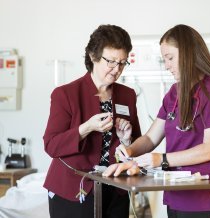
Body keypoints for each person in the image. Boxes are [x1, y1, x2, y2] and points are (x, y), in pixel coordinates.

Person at [103, 24, 210, 218]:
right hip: (176, 195)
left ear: (189, 53)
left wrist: (161, 159)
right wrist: (128, 152)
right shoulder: (174, 93)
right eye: (164, 59)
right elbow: (150, 139)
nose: (167, 66)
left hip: (204, 200)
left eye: (170, 58)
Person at [43, 24, 141, 218]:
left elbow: (138, 143)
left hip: (116, 189)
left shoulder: (127, 95)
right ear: (92, 56)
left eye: (122, 63)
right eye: (111, 62)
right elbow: (51, 145)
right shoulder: (66, 94)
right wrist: (86, 128)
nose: (117, 69)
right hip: (74, 190)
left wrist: (127, 140)